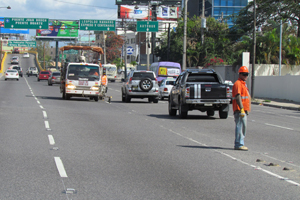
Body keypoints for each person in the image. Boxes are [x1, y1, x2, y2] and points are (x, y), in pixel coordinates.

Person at [232, 66, 251, 151]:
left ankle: (240, 143)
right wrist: (242, 109)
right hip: (240, 110)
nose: (245, 76)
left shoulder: (243, 83)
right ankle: (239, 144)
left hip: (244, 110)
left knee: (243, 127)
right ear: (239, 74)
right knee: (240, 127)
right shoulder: (238, 84)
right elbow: (238, 96)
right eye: (244, 74)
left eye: (247, 74)